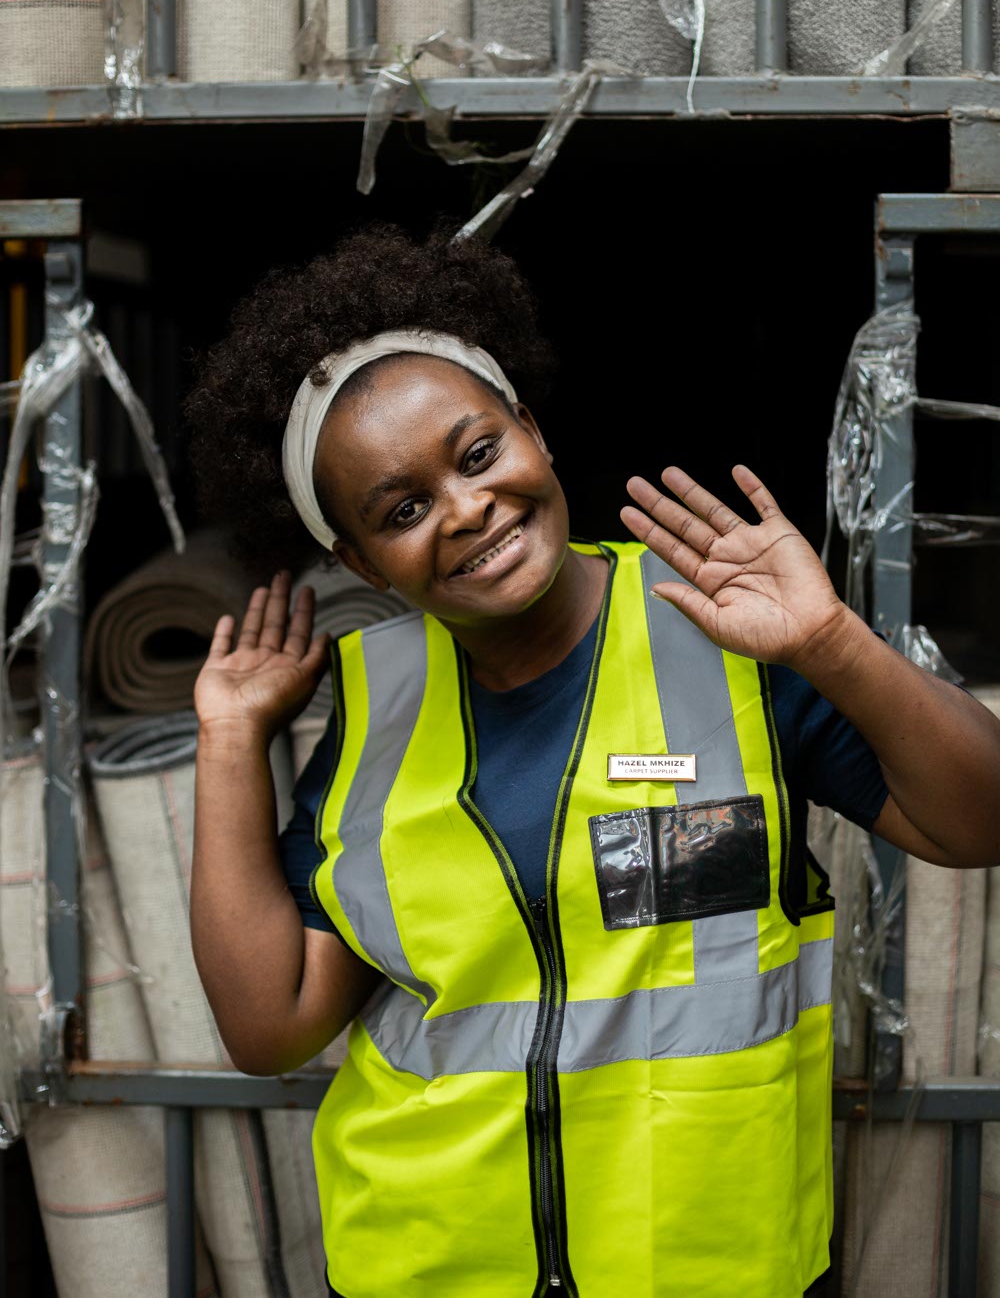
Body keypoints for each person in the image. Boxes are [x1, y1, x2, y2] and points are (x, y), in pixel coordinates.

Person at [186, 225, 1000, 1298]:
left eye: (477, 454)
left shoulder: (720, 635)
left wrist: (832, 645)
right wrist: (230, 738)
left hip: (706, 1270)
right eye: (402, 509)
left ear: (530, 428)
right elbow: (269, 1027)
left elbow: (979, 823)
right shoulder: (371, 707)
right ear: (358, 561)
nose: (466, 507)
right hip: (427, 1268)